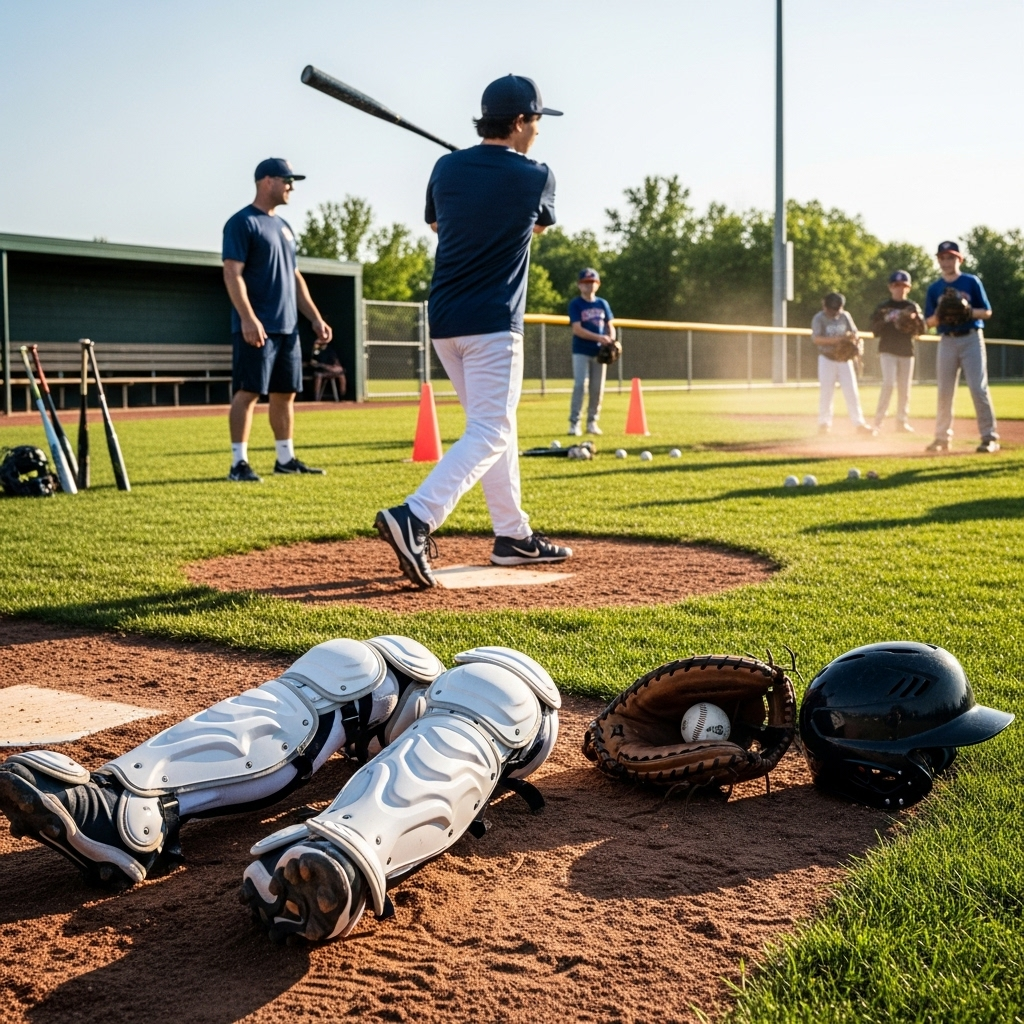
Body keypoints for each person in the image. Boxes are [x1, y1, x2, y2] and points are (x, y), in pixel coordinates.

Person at [375, 76, 574, 588]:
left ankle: (513, 536)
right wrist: (500, 188)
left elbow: (442, 227)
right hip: (492, 322)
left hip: (445, 320)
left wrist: (478, 183)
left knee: (493, 426)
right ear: (517, 122)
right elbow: (537, 229)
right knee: (491, 430)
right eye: (534, 122)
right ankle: (416, 516)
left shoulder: (446, 167)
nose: (537, 132)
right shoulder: (537, 175)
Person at [222, 158, 332, 482]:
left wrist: (314, 318)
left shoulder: (285, 227)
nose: (291, 187)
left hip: (288, 327)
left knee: (286, 393)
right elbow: (232, 273)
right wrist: (248, 318)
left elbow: (295, 277)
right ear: (266, 181)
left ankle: (285, 459)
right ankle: (237, 464)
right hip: (258, 327)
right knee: (248, 392)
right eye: (287, 180)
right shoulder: (242, 223)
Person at [923, 241, 998, 453]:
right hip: (947, 339)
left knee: (977, 388)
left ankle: (989, 437)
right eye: (943, 258)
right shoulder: (934, 288)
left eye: (951, 257)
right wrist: (941, 314)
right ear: (938, 260)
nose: (946, 262)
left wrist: (966, 311)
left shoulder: (970, 281)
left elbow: (987, 311)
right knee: (944, 391)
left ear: (959, 259)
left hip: (971, 338)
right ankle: (941, 438)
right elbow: (928, 322)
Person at [811, 292, 875, 435]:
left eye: (836, 309)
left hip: (845, 360)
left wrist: (856, 342)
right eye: (831, 308)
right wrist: (838, 340)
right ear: (824, 305)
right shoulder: (819, 318)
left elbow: (854, 333)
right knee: (826, 392)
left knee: (851, 391)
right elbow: (816, 339)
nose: (834, 312)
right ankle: (824, 424)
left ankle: (859, 424)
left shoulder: (845, 316)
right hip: (827, 358)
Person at [870, 270, 923, 432]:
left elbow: (922, 330)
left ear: (908, 288)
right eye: (896, 285)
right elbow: (874, 330)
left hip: (906, 351)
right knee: (888, 384)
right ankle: (878, 423)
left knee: (905, 388)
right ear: (890, 287)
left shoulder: (912, 306)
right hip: (887, 350)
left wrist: (915, 319)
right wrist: (886, 319)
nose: (899, 288)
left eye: (903, 285)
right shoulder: (883, 307)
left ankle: (901, 422)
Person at [568, 268, 616, 436]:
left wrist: (611, 339)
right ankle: (574, 423)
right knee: (580, 385)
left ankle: (592, 422)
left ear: (598, 284)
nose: (589, 286)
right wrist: (599, 337)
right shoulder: (576, 304)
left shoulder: (602, 303)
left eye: (592, 282)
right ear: (579, 285)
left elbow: (610, 325)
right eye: (585, 283)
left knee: (597, 388)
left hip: (599, 353)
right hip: (581, 350)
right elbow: (577, 329)